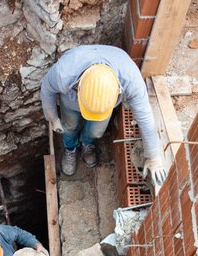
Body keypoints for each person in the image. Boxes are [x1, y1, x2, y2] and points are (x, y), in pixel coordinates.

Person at [39, 44, 165, 177]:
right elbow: (47, 90)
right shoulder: (64, 73)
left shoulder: (130, 80)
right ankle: (70, 148)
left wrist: (153, 156)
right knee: (69, 126)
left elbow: (145, 116)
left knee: (96, 131)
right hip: (71, 102)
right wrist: (53, 118)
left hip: (105, 104)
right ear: (78, 86)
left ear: (118, 90)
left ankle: (87, 144)